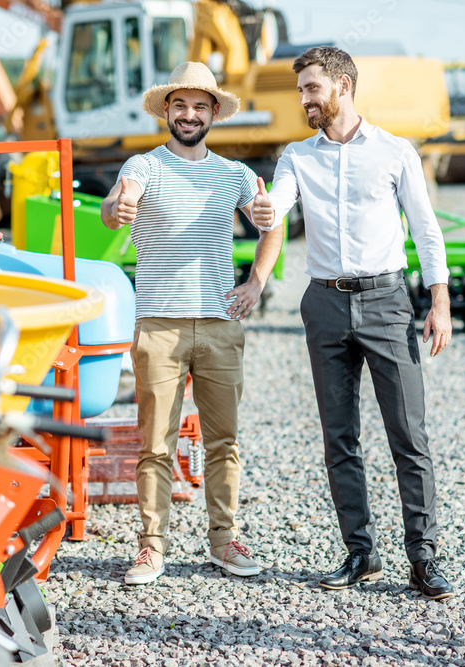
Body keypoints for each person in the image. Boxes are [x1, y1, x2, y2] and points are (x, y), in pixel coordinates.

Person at [251, 46, 455, 600]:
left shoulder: (394, 152)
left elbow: (426, 231)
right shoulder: (296, 156)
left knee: (408, 436)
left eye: (311, 88)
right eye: (301, 91)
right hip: (324, 305)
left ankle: (423, 558)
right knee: (339, 438)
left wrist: (440, 302)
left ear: (342, 85)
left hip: (388, 303)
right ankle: (360, 554)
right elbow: (279, 210)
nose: (304, 100)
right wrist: (262, 222)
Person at [100, 61, 283, 585]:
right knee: (155, 443)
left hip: (220, 324)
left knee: (223, 441)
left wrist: (256, 282)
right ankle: (151, 548)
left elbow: (271, 221)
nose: (189, 114)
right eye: (180, 104)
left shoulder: (233, 175)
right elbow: (119, 201)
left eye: (200, 106)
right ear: (166, 110)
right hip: (159, 324)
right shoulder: (145, 166)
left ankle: (224, 542)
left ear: (213, 115)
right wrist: (120, 205)